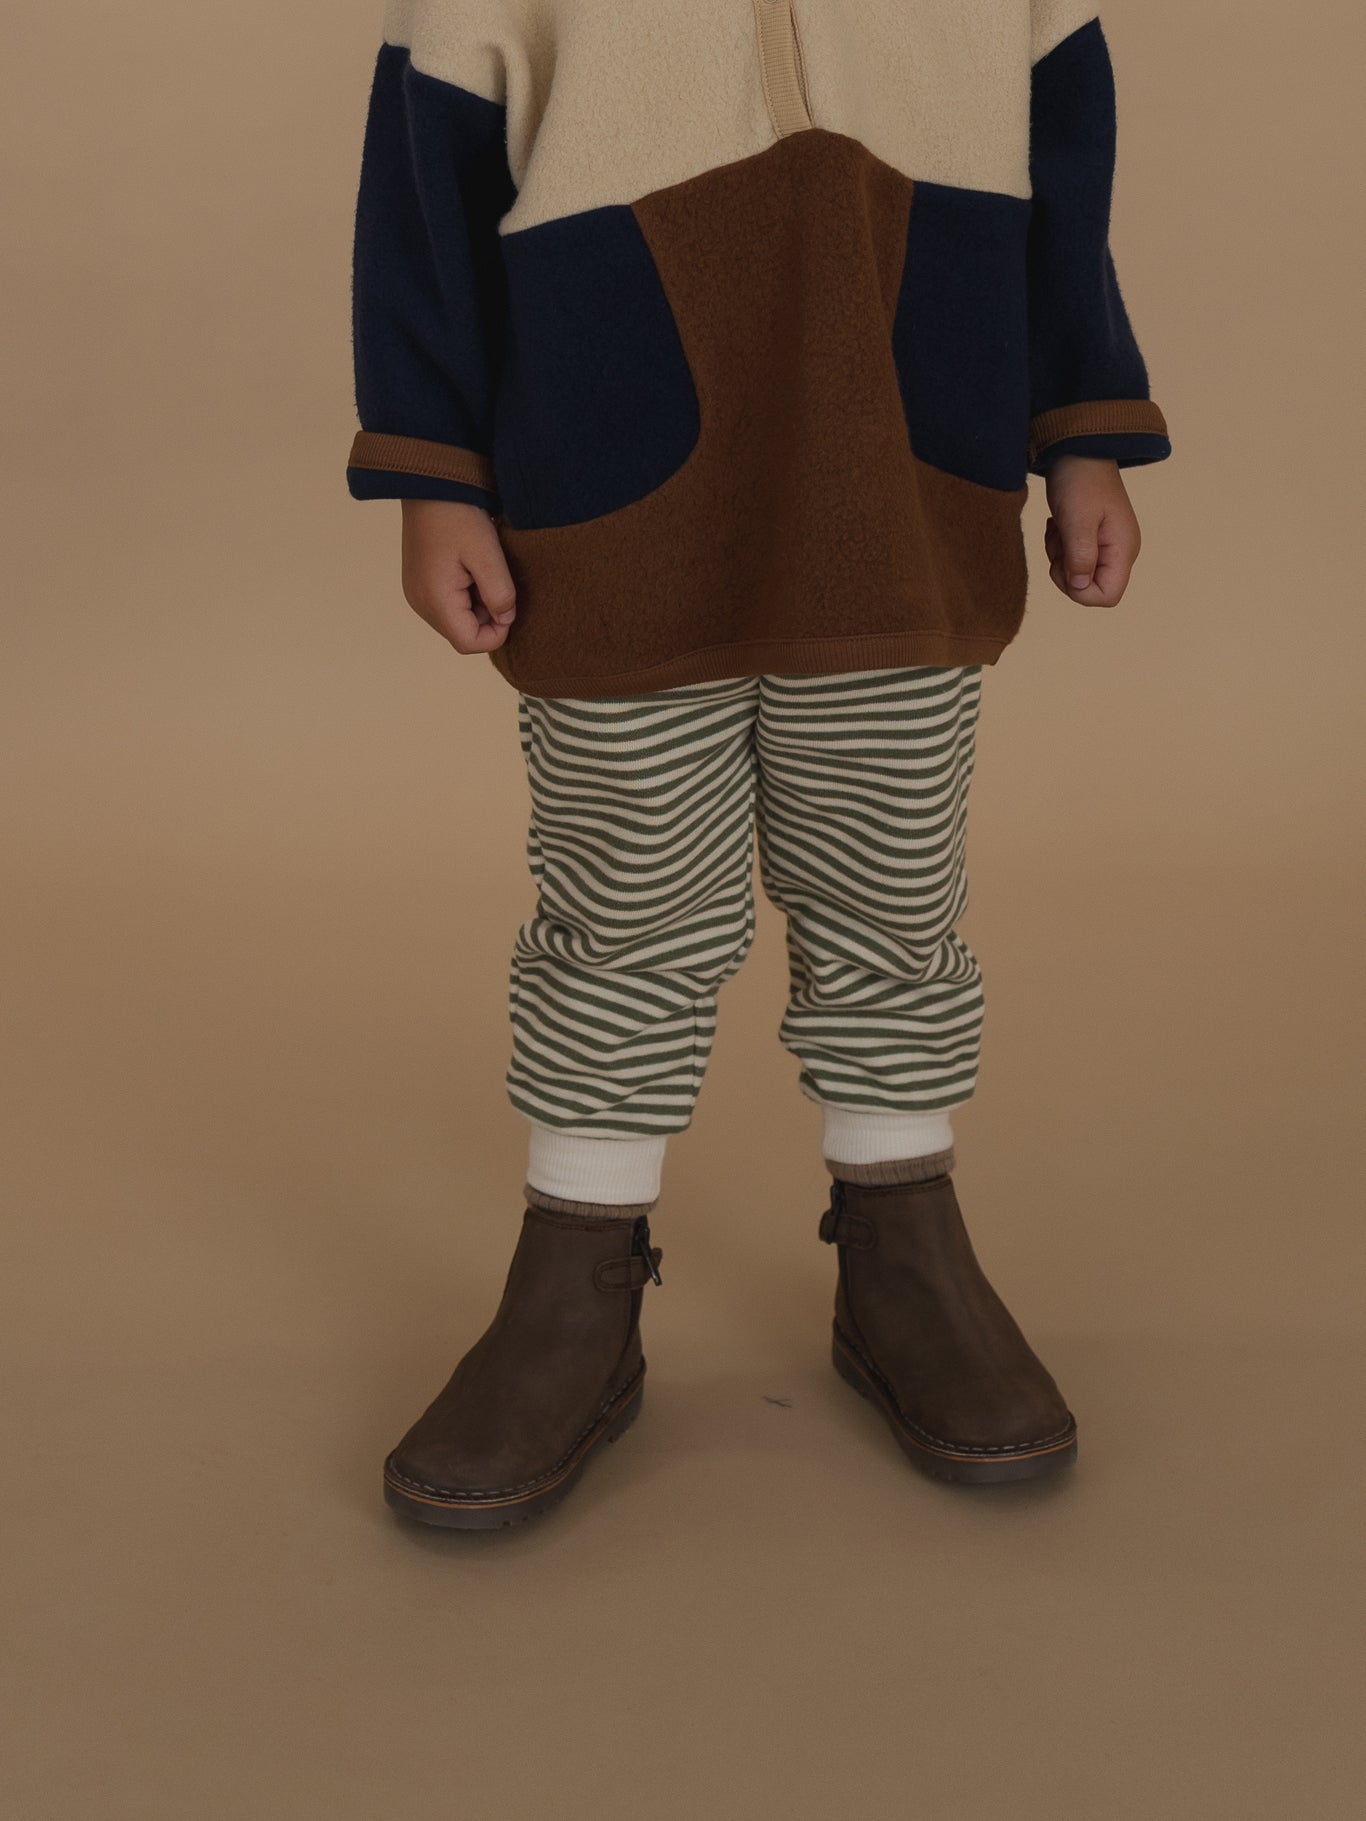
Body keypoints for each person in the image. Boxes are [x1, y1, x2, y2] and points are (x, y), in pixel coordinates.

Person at [346, 1, 1171, 1528]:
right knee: (627, 890)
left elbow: (1066, 180)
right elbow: (422, 189)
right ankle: (575, 1281)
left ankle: (901, 1249)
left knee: (889, 873)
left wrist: (1082, 431)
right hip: (604, 480)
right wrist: (429, 467)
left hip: (905, 465)